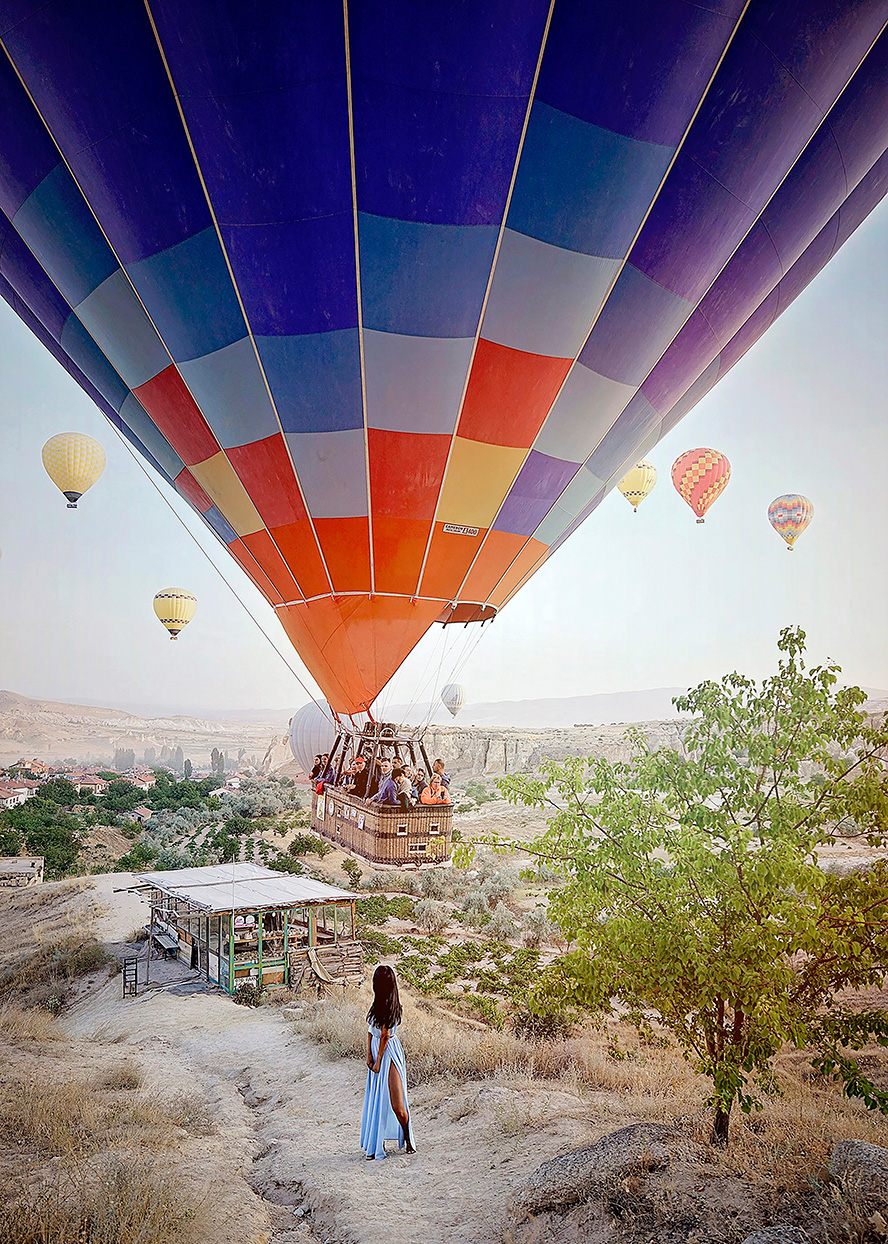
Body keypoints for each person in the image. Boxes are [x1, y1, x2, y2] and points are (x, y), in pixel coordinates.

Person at [361, 965, 416, 1159]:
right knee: (377, 1099)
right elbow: (371, 1030)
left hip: (389, 1053)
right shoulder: (376, 1005)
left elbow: (385, 1036)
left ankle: (408, 1138)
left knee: (396, 1103)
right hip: (377, 1050)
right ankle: (378, 1143)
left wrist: (376, 1061)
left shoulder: (393, 1007)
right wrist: (369, 1054)